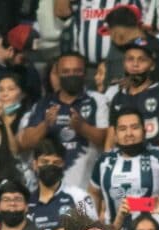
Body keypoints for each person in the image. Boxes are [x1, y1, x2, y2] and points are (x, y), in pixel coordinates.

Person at [19, 52, 108, 191]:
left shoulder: (98, 100)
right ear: (58, 75)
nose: (71, 75)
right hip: (50, 192)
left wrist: (82, 127)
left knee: (80, 214)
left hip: (84, 193)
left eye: (77, 71)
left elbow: (105, 139)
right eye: (66, 72)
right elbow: (25, 142)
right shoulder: (43, 104)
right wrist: (45, 125)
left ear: (85, 73)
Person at [103, 38, 159, 146]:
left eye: (142, 60)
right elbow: (111, 138)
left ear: (152, 65)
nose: (135, 64)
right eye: (130, 59)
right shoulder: (118, 98)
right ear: (124, 63)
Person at [101, 4, 159, 90]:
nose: (111, 36)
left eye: (111, 31)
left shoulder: (152, 47)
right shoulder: (133, 43)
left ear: (120, 30)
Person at [28, 138, 96, 230]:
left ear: (63, 164)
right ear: (34, 164)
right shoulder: (27, 202)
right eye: (45, 162)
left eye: (56, 163)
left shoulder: (79, 198)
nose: (50, 166)